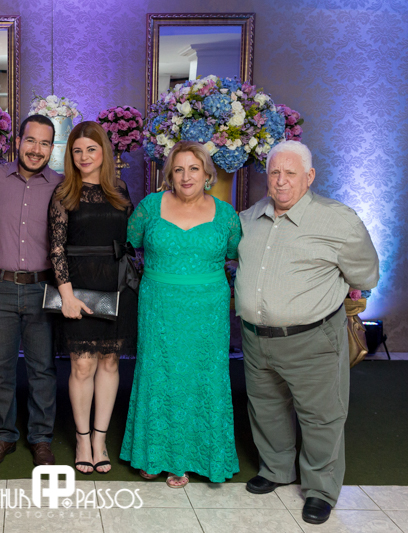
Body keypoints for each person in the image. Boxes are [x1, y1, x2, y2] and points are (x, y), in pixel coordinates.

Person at [236, 140, 379, 525]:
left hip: (313, 338)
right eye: (274, 172)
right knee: (266, 407)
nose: (281, 181)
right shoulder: (249, 217)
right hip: (256, 338)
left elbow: (365, 274)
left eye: (290, 173)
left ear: (310, 176)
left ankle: (320, 490)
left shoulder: (338, 220)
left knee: (321, 416)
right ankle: (276, 469)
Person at [120, 141, 241, 488]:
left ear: (207, 174)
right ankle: (155, 454)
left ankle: (193, 458)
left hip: (207, 311)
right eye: (178, 169)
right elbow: (130, 242)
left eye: (194, 169)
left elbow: (235, 252)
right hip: (159, 306)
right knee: (159, 374)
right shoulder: (150, 207)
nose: (186, 176)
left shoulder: (226, 214)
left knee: (203, 377)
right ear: (169, 175)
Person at [0, 115, 63, 467]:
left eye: (45, 143)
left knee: (42, 369)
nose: (37, 149)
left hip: (43, 288)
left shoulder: (61, 186)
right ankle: (3, 436)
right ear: (18, 142)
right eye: (31, 140)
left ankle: (41, 439)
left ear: (52, 148)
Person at [48, 121, 138, 475]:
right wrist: (66, 296)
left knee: (110, 363)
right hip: (78, 288)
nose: (84, 156)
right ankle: (82, 439)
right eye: (77, 150)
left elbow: (132, 237)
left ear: (104, 151)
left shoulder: (120, 188)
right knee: (82, 365)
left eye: (91, 149)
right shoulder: (63, 193)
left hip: (116, 285)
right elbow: (56, 247)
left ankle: (100, 440)